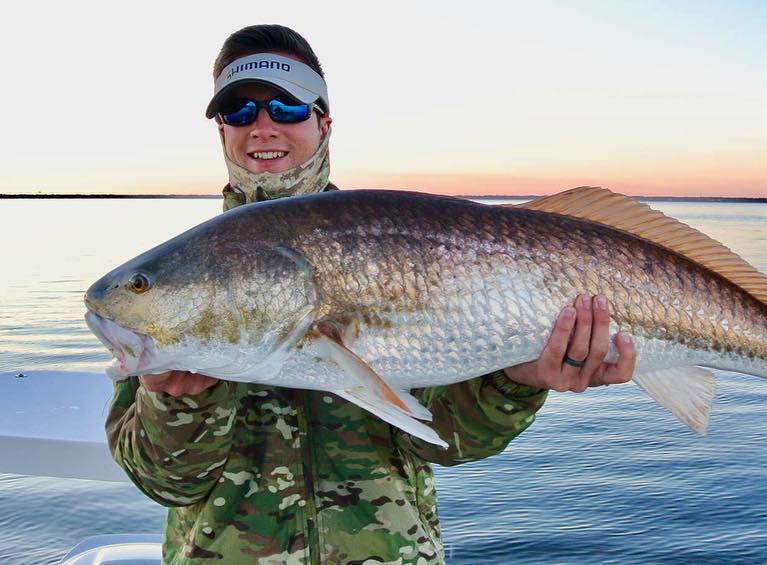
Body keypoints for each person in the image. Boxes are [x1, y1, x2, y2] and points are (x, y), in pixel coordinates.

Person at [106, 24, 636, 563]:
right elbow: (166, 485)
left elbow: (448, 440)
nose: (262, 127)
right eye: (240, 113)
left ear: (323, 122)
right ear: (222, 133)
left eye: (286, 108)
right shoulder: (186, 282)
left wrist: (520, 380)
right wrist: (176, 400)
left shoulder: (400, 241)